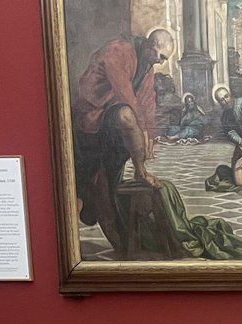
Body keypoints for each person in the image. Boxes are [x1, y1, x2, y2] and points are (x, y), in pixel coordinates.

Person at [71, 29, 170, 248]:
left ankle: (122, 243)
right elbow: (125, 93)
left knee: (107, 183)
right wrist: (142, 131)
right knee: (93, 184)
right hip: (89, 123)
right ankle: (140, 172)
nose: (161, 62)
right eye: (161, 56)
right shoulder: (120, 50)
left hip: (109, 127)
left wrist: (150, 135)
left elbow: (147, 101)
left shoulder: (147, 68)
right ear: (150, 45)